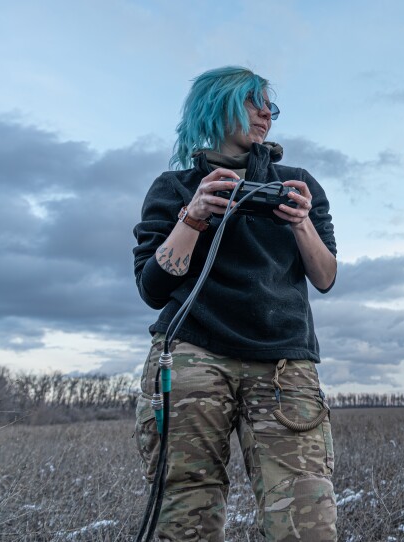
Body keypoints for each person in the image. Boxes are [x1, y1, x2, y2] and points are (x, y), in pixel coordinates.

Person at [132, 66, 338, 541]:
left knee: (305, 511)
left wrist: (301, 222)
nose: (266, 114)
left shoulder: (297, 184)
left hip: (283, 360)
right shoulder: (174, 187)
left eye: (271, 107)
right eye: (253, 102)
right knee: (185, 505)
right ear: (216, 105)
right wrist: (193, 216)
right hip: (192, 353)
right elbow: (152, 288)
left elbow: (325, 277)